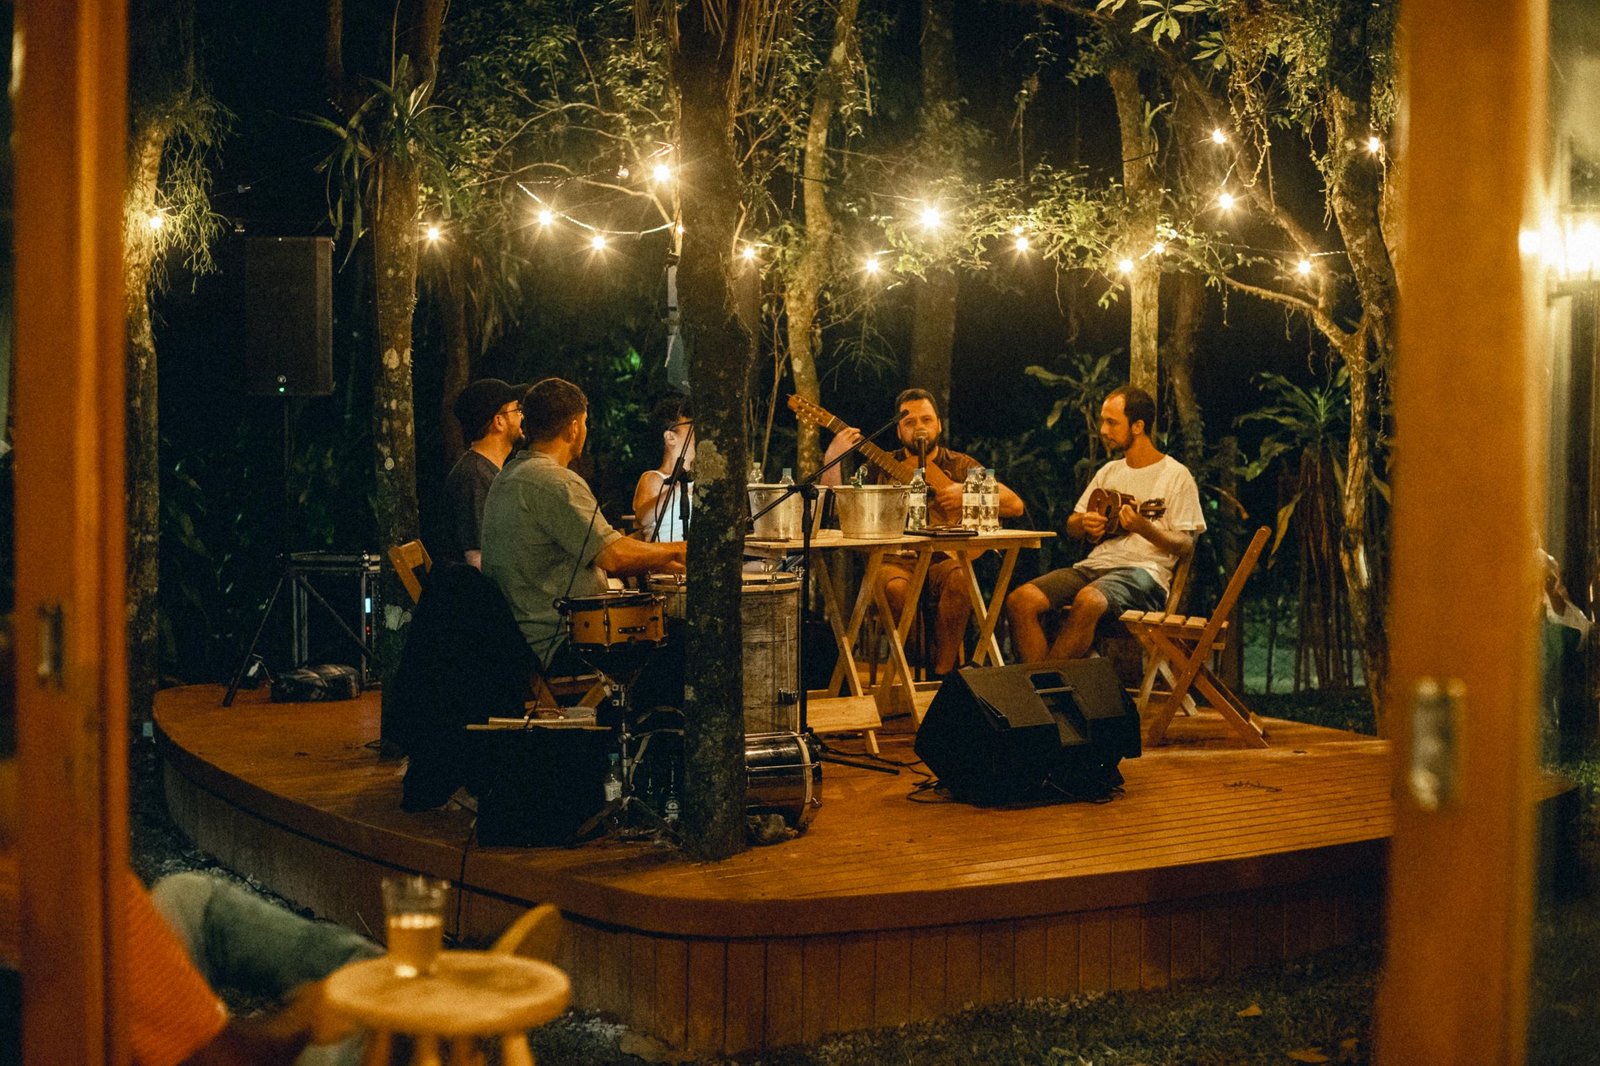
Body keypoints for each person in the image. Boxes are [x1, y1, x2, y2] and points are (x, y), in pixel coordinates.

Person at [481, 377, 686, 672]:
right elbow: (614, 556)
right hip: (561, 644)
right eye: (585, 422)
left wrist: (659, 557)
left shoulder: (510, 475)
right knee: (684, 640)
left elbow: (604, 543)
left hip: (520, 640)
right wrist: (678, 550)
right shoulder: (555, 482)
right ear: (574, 427)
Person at [821, 388, 1023, 676]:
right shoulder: (878, 465)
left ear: (938, 424)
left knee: (960, 579)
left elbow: (1015, 505)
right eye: (909, 422)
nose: (919, 428)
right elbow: (838, 511)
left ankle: (942, 676)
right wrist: (833, 457)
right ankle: (928, 663)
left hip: (942, 559)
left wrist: (966, 493)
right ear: (899, 431)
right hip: (893, 561)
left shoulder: (959, 465)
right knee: (896, 588)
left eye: (926, 420)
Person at [1006, 385, 1205, 663]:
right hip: (1095, 567)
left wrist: (1142, 527)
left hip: (1144, 575)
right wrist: (1086, 523)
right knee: (1021, 601)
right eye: (1103, 420)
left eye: (1112, 422)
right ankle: (1047, 694)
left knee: (1089, 600)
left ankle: (1044, 689)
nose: (1103, 429)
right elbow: (1072, 525)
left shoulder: (1176, 476)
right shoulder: (1109, 472)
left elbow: (1186, 545)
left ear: (1138, 426)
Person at [442, 378, 525, 569]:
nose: (522, 416)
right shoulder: (475, 477)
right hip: (479, 596)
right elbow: (477, 559)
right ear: (499, 421)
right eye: (516, 410)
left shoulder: (485, 470)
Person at [632, 395, 694, 542]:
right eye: (691, 426)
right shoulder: (654, 478)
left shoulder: (698, 480)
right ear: (670, 437)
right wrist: (678, 487)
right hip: (666, 560)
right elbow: (642, 519)